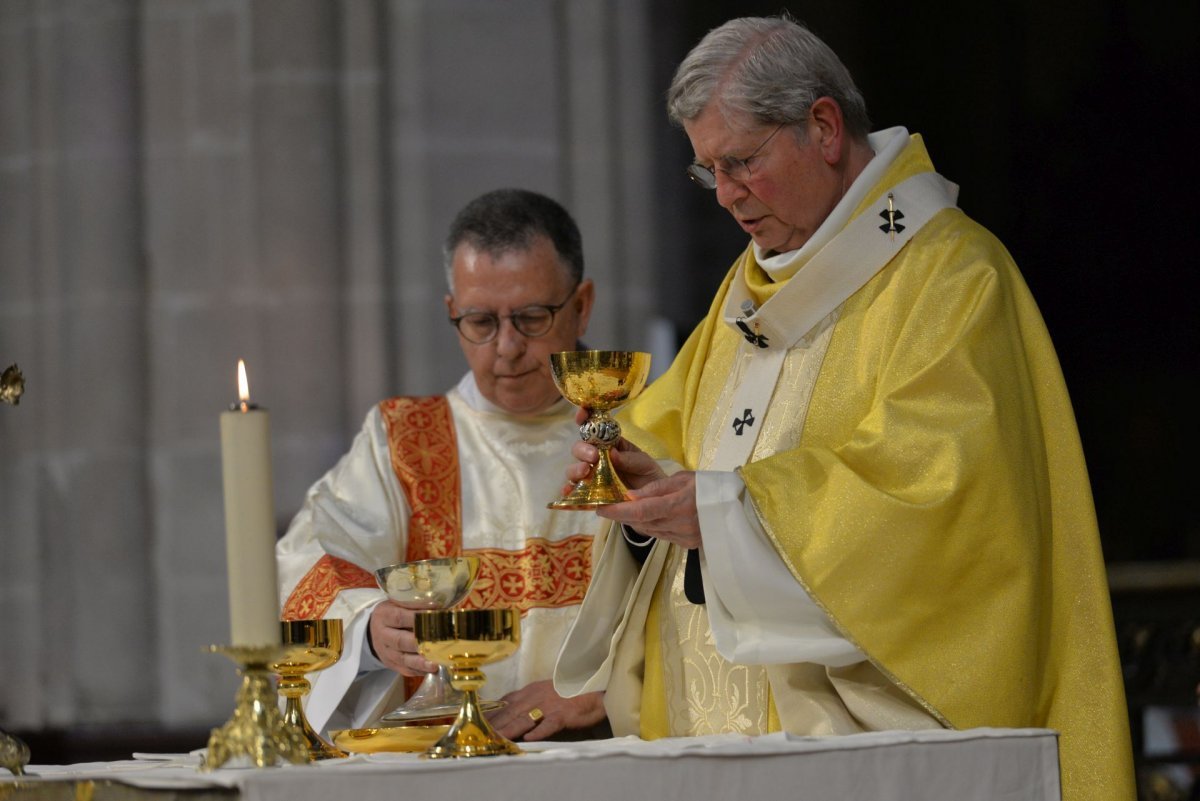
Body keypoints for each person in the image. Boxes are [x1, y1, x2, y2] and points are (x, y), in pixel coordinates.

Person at [552, 16, 1133, 801]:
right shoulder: (748, 288)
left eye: (742, 162)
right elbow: (673, 436)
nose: (726, 196)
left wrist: (725, 512)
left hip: (866, 759)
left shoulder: (951, 278)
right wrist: (639, 487)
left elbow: (944, 509)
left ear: (823, 127)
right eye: (707, 172)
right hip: (712, 742)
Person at [277, 188, 609, 742]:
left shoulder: (644, 431)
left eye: (531, 317)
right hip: (445, 764)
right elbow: (313, 552)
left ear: (581, 305)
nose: (506, 348)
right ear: (451, 311)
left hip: (613, 753)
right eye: (480, 321)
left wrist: (608, 687)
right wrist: (368, 624)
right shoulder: (403, 442)